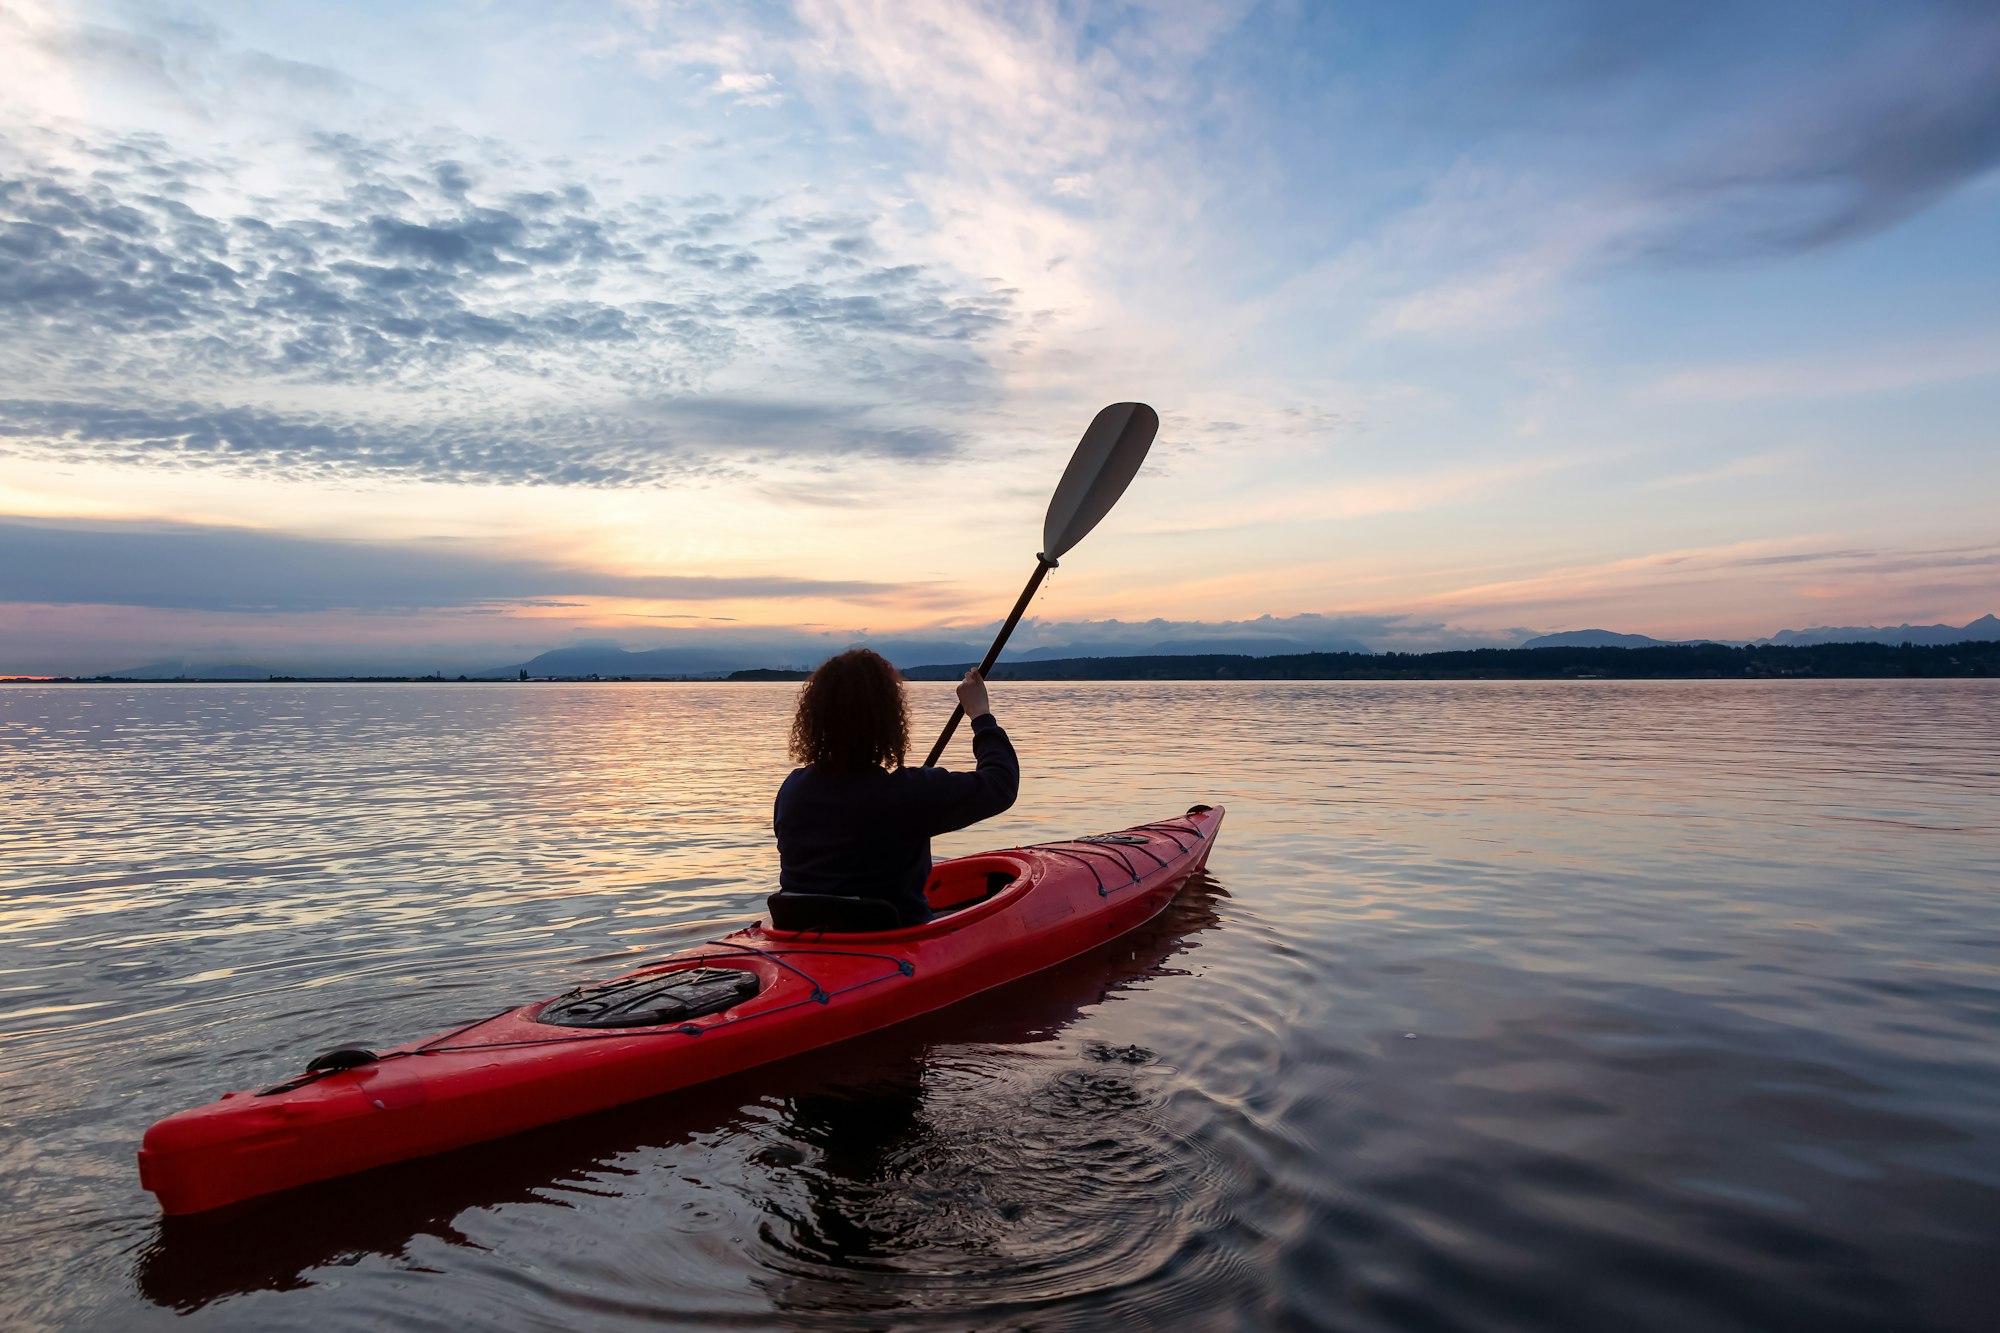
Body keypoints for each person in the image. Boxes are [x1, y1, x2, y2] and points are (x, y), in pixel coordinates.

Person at [773, 648, 1019, 927]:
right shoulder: (907, 793)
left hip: (801, 936)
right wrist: (980, 714)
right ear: (889, 719)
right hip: (892, 941)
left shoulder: (792, 790)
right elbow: (1001, 783)